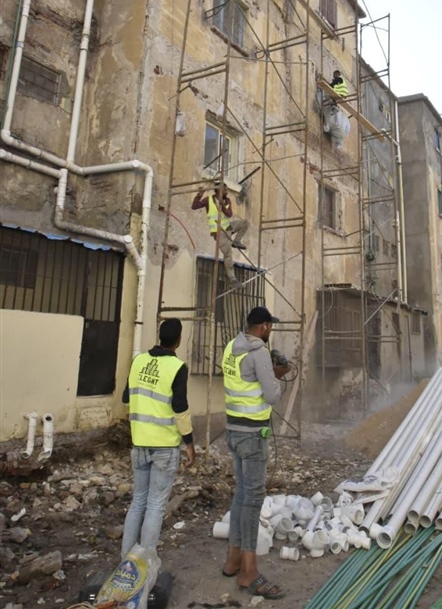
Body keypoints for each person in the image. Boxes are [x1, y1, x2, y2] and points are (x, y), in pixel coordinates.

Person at [221, 306, 291, 600]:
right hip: (252, 434)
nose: (270, 330)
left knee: (241, 493)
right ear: (263, 327)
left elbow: (243, 380)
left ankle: (233, 559)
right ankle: (249, 571)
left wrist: (265, 373)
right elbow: (271, 395)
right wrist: (277, 375)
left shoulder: (231, 347)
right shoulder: (259, 352)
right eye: (269, 326)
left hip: (233, 430)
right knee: (252, 499)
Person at [121, 318, 195, 557]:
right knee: (155, 505)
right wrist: (189, 443)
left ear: (160, 337)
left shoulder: (138, 361)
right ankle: (143, 564)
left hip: (139, 443)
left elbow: (126, 397)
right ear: (179, 340)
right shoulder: (177, 367)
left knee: (138, 501)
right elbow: (180, 408)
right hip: (164, 447)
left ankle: (126, 560)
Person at [191, 181, 249, 290]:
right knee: (228, 255)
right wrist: (199, 194)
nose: (227, 191)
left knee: (245, 223)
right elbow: (194, 206)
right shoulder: (209, 200)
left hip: (227, 228)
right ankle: (232, 279)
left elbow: (229, 214)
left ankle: (236, 241)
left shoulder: (227, 200)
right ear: (219, 191)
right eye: (225, 190)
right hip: (219, 233)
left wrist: (222, 206)